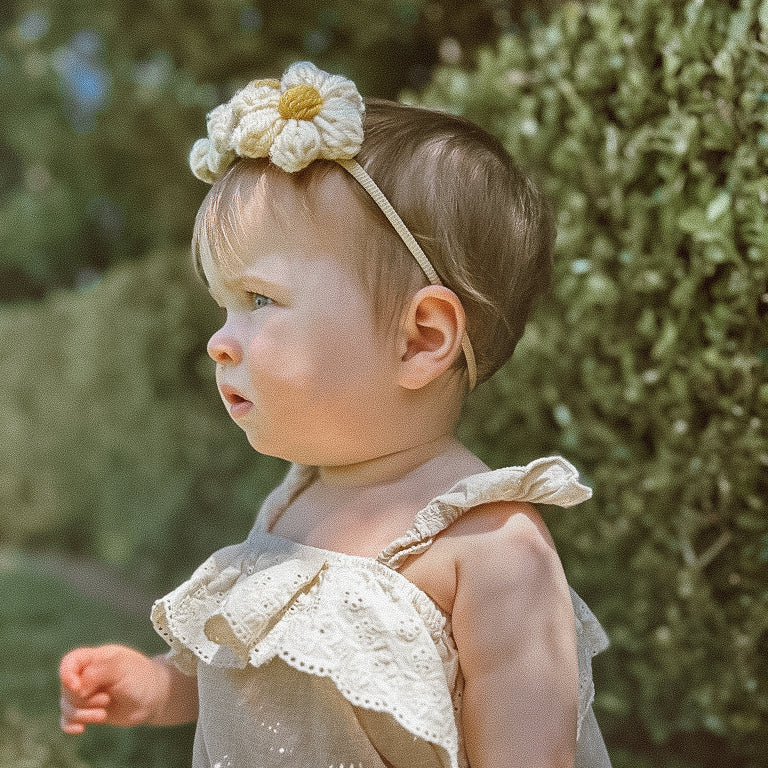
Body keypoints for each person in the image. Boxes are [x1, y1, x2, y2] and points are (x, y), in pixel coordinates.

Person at [59, 61, 611, 768]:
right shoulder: (296, 501)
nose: (219, 340)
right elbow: (261, 665)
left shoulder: (496, 551)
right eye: (221, 305)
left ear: (420, 340)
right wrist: (162, 686)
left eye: (258, 301)